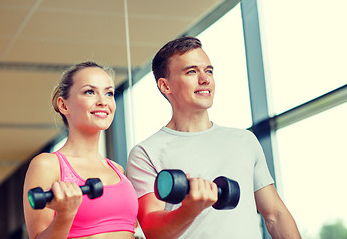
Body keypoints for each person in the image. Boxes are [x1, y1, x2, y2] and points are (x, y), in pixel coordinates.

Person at [126, 36, 301, 238]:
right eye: (191, 71)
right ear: (165, 86)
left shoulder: (244, 141)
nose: (205, 79)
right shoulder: (146, 152)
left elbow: (275, 215)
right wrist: (190, 209)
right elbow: (152, 230)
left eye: (208, 70)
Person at [23, 61, 138, 239]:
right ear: (64, 105)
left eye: (109, 93)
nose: (102, 102)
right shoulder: (47, 165)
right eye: (90, 92)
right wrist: (65, 214)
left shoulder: (118, 170)